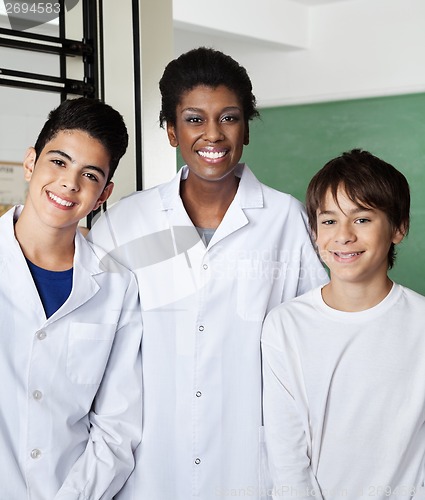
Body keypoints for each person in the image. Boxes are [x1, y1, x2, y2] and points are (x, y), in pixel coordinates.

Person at [88, 47, 327, 500]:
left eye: (229, 118)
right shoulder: (125, 224)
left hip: (252, 472)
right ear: (171, 131)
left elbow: (313, 350)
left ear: (246, 129)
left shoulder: (285, 221)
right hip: (147, 474)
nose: (213, 135)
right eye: (195, 119)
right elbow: (92, 356)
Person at [261, 149, 425, 500]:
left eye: (362, 219)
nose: (344, 235)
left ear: (399, 227)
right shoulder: (285, 326)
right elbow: (287, 458)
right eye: (329, 220)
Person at [0, 97, 142, 499]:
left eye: (90, 175)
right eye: (58, 162)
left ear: (103, 194)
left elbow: (118, 427)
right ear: (30, 163)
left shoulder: (117, 287)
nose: (69, 183)